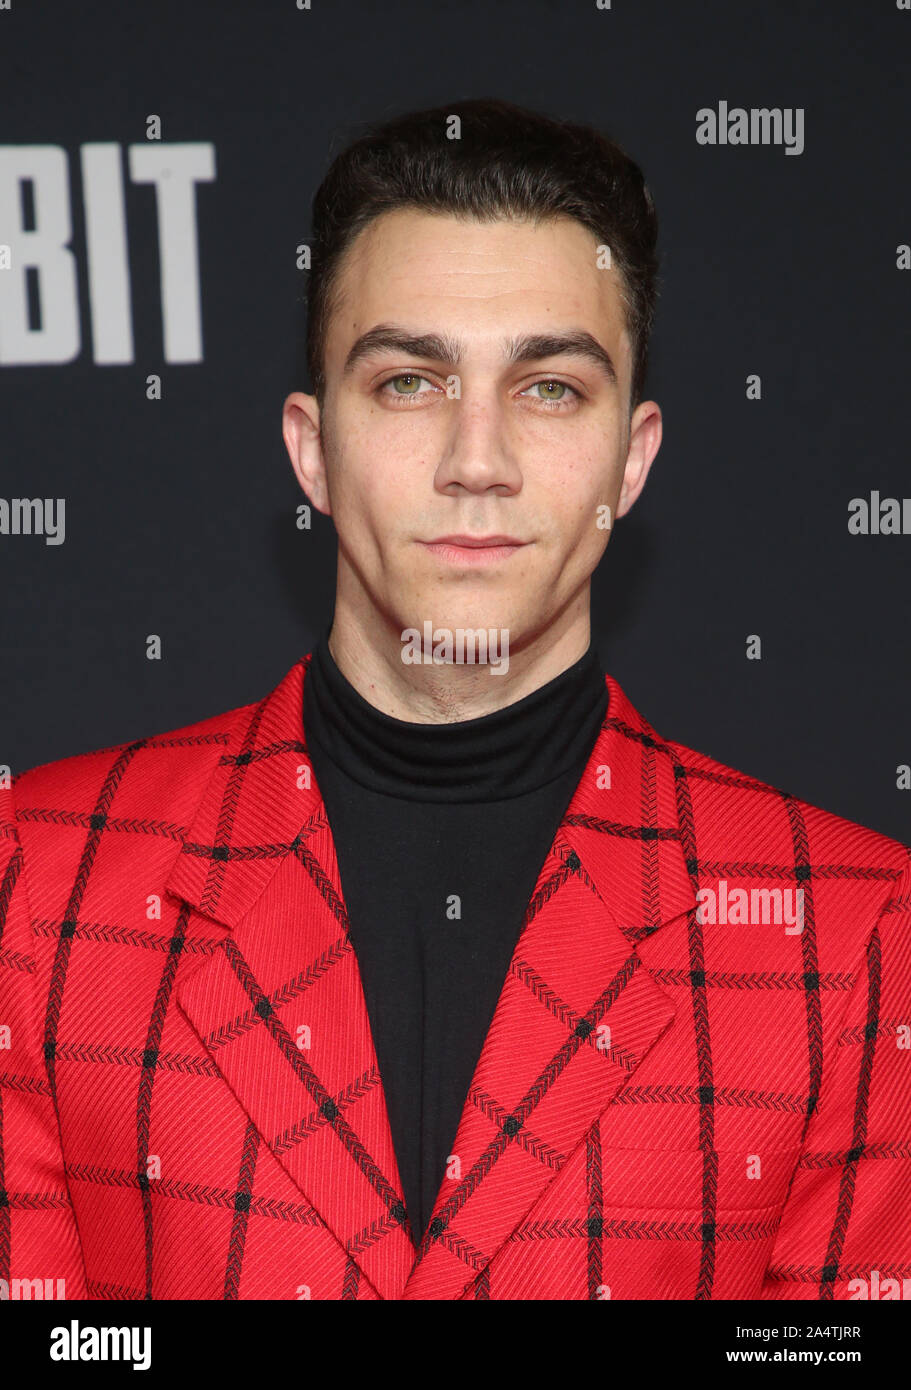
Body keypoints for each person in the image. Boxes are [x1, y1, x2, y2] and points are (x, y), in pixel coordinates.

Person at [1, 99, 908, 1302]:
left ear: (631, 459)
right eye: (410, 380)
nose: (474, 458)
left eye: (547, 389)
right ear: (311, 447)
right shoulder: (37, 885)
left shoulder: (848, 935)